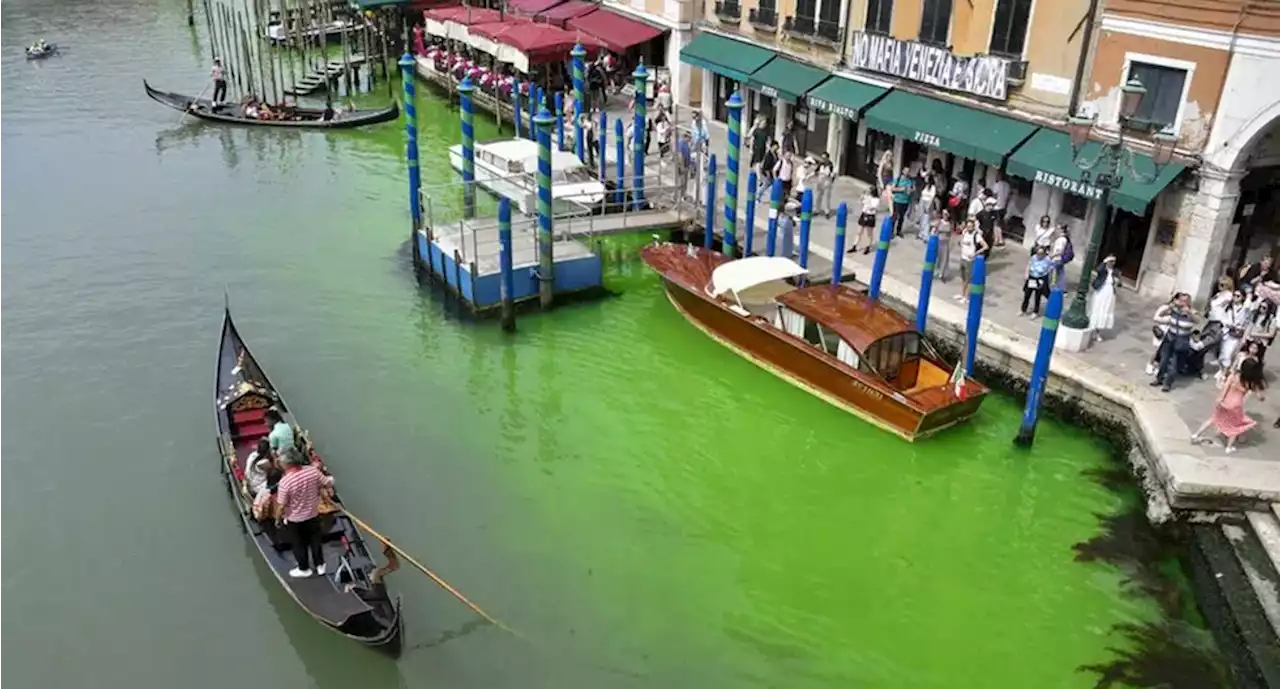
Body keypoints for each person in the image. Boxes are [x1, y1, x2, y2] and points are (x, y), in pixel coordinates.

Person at [276, 449, 334, 578]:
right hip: (313, 514)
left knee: (298, 543)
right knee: (315, 540)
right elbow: (327, 482)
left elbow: (281, 506)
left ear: (287, 464)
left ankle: (304, 569)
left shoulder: (285, 482)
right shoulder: (312, 471)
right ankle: (320, 566)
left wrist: (277, 519)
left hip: (295, 520)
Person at [1191, 357, 1267, 454]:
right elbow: (1260, 396)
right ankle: (1229, 447)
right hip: (1236, 406)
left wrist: (1220, 399)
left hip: (1224, 402)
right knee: (1235, 426)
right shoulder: (1250, 382)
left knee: (1213, 419)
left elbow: (1225, 388)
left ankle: (1196, 435)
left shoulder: (1234, 376)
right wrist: (1262, 397)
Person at [1151, 292, 1197, 392]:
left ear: (1188, 302)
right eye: (1181, 300)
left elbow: (1197, 320)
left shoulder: (1192, 312)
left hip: (1182, 340)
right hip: (1170, 337)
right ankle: (1159, 378)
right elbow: (1160, 315)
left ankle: (1167, 383)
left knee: (1174, 364)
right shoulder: (1175, 310)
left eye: (1184, 301)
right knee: (1164, 360)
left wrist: (1189, 313)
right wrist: (1169, 307)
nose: (1182, 303)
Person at [955, 219, 988, 303]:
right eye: (968, 226)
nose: (969, 228)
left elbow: (985, 246)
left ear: (973, 227)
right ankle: (962, 294)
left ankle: (966, 297)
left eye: (971, 226)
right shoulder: (965, 232)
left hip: (970, 260)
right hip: (963, 257)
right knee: (963, 278)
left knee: (968, 279)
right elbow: (961, 241)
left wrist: (975, 253)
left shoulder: (976, 235)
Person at [1089, 255, 1119, 340]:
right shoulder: (1103, 270)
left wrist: (1117, 282)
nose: (1112, 263)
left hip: (1110, 293)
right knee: (1097, 308)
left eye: (1113, 261)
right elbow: (1098, 269)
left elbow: (1119, 283)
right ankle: (1092, 329)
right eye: (1111, 261)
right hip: (1101, 290)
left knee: (1105, 310)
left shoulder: (1115, 272)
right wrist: (1104, 262)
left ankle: (1098, 332)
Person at [1021, 245, 1053, 316]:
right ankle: (1023, 309)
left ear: (1044, 254)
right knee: (1027, 294)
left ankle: (1035, 312)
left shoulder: (1048, 260)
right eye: (1038, 253)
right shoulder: (1034, 257)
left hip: (1040, 278)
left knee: (1037, 296)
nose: (1039, 256)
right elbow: (1029, 264)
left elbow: (1050, 270)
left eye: (1041, 254)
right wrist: (1026, 273)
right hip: (1032, 277)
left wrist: (1049, 280)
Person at [851, 186, 878, 255]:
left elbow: (872, 207)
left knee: (869, 234)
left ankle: (868, 247)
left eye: (869, 190)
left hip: (870, 216)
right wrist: (862, 198)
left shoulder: (876, 199)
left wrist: (866, 202)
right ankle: (854, 246)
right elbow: (861, 203)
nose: (867, 192)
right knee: (859, 232)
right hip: (864, 214)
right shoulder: (866, 196)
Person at [889, 167, 915, 237]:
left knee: (902, 217)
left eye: (908, 171)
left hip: (905, 201)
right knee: (895, 216)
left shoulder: (910, 181)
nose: (907, 172)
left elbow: (913, 189)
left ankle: (898, 231)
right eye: (906, 171)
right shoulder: (898, 179)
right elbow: (892, 188)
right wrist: (901, 189)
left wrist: (911, 191)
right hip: (897, 200)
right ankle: (891, 231)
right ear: (903, 171)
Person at [934, 208, 954, 282]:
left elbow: (950, 234)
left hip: (945, 243)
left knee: (944, 259)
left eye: (946, 214)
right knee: (937, 258)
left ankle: (941, 274)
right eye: (943, 214)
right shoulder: (939, 222)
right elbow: (934, 229)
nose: (944, 215)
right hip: (938, 241)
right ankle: (936, 271)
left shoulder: (950, 224)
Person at [992, 173, 1011, 247]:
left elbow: (995, 195)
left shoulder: (997, 185)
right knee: (999, 223)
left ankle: (998, 239)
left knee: (996, 224)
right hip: (1003, 206)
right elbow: (1008, 196)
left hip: (996, 206)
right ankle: (999, 239)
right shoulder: (1007, 185)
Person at [813, 152, 835, 218]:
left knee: (826, 197)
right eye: (822, 158)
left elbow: (832, 175)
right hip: (820, 181)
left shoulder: (830, 165)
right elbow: (816, 171)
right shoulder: (820, 164)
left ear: (827, 158)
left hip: (827, 182)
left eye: (824, 158)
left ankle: (827, 211)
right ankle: (817, 210)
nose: (823, 159)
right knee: (818, 196)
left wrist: (830, 181)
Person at [675, 131, 693, 197]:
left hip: (686, 165)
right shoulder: (681, 143)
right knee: (682, 181)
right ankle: (679, 196)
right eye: (690, 138)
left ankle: (683, 195)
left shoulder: (686, 144)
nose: (690, 139)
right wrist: (682, 166)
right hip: (682, 165)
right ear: (686, 137)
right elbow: (680, 155)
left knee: (685, 181)